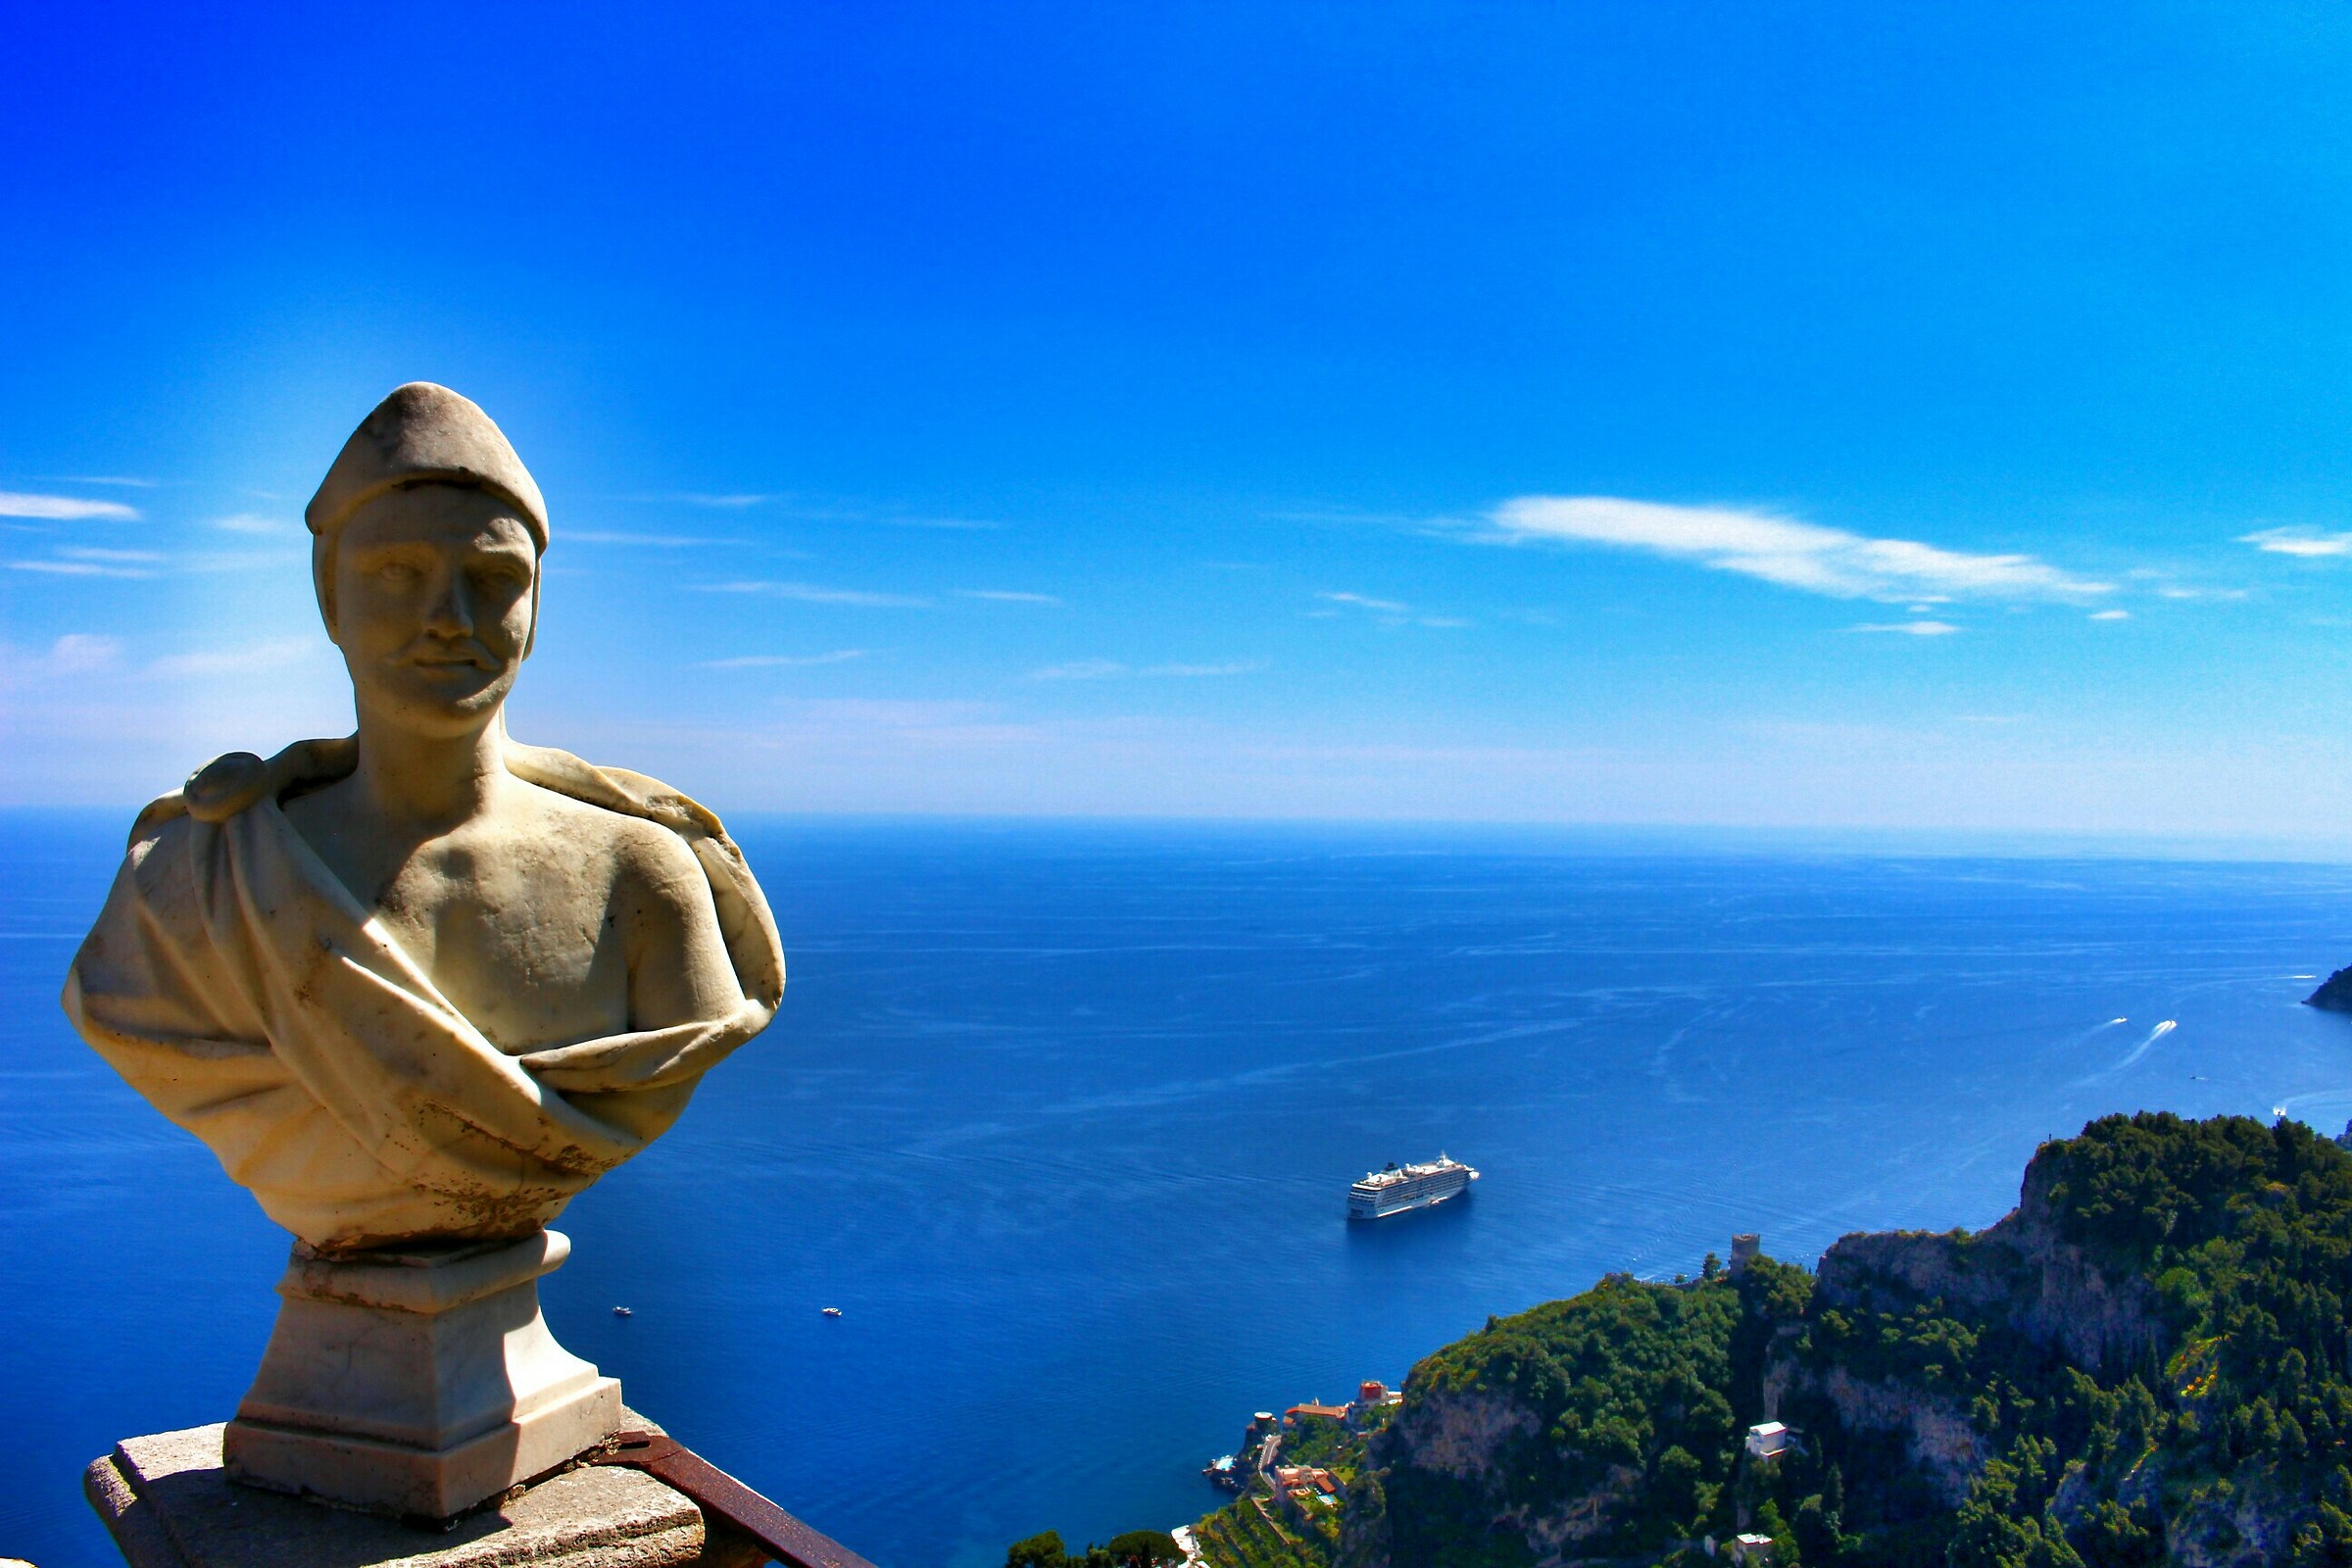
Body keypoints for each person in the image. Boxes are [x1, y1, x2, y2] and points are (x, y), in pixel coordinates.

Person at [63, 383, 784, 1254]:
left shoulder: (644, 876)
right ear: (330, 599)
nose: (449, 620)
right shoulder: (198, 877)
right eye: (398, 573)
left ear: (535, 610)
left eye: (494, 580)